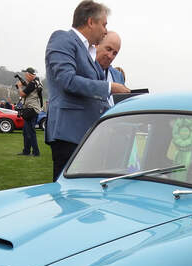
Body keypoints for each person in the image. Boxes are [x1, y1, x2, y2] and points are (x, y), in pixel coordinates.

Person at [44, 0, 130, 180]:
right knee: (66, 193)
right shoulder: (62, 39)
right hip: (68, 133)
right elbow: (67, 80)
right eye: (104, 24)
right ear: (91, 22)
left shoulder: (88, 52)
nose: (105, 30)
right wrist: (109, 87)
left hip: (87, 137)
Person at [15, 67, 44, 157]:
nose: (25, 76)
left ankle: (35, 152)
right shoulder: (36, 82)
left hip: (30, 109)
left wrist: (19, 87)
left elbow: (22, 94)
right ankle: (26, 151)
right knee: (26, 131)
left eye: (26, 75)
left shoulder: (32, 83)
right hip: (33, 109)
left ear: (30, 75)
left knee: (30, 132)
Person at [95, 31, 125, 106]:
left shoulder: (118, 76)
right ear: (97, 45)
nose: (110, 56)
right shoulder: (84, 69)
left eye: (115, 53)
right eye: (108, 49)